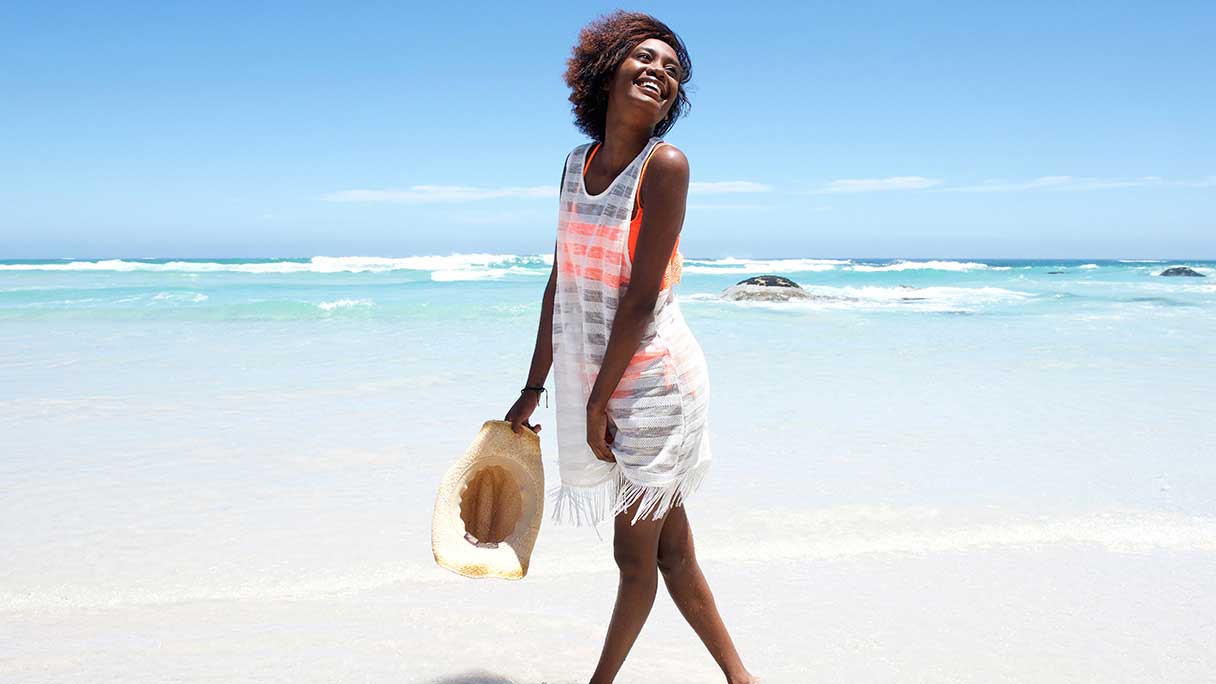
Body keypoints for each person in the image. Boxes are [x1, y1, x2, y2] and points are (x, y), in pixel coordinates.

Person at [503, 10, 759, 684]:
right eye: (646, 59)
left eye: (673, 71)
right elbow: (562, 280)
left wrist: (595, 404)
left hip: (653, 387)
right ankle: (742, 678)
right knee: (671, 552)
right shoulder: (571, 166)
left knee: (634, 559)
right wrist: (534, 387)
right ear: (605, 69)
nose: (660, 74)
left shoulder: (664, 166)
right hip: (602, 382)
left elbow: (641, 298)